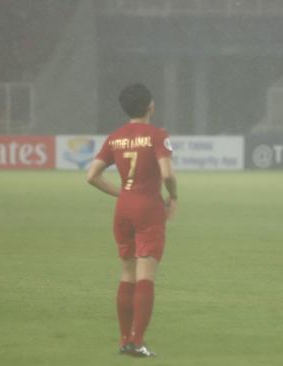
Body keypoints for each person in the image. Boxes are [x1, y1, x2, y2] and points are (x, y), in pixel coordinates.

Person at [86, 83, 177, 357]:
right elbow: (167, 175)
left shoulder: (115, 137)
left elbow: (91, 176)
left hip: (123, 209)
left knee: (127, 273)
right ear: (151, 106)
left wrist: (122, 192)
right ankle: (138, 341)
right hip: (148, 207)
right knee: (145, 276)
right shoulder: (157, 135)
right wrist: (173, 197)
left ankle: (125, 339)